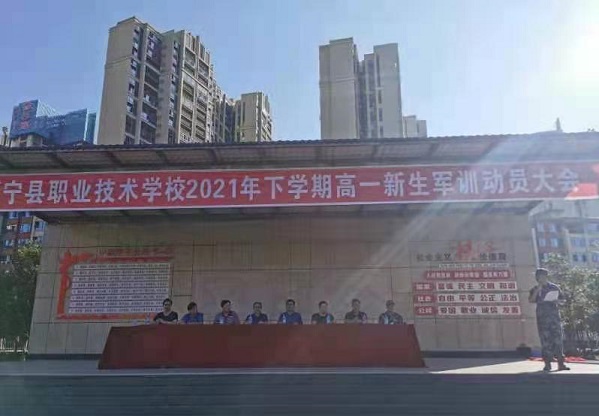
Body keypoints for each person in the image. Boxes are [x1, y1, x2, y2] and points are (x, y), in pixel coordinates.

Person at [528, 268, 570, 372]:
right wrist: (538, 290)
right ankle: (547, 364)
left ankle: (561, 364)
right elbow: (531, 300)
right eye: (539, 276)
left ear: (546, 276)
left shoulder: (554, 287)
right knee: (545, 342)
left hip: (554, 318)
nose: (541, 278)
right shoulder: (535, 288)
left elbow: (563, 300)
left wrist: (558, 301)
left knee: (558, 341)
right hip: (542, 319)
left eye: (543, 276)